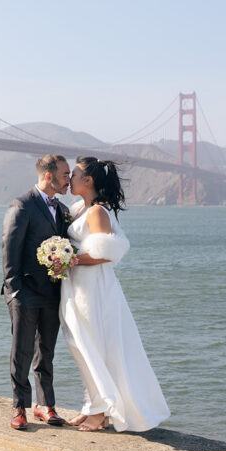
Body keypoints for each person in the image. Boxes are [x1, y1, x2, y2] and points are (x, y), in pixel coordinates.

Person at [61, 156, 170, 432]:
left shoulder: (97, 212)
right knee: (83, 347)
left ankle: (100, 413)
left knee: (92, 346)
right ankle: (92, 407)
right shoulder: (79, 208)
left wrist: (68, 259)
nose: (69, 179)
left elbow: (104, 255)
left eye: (74, 174)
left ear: (88, 181)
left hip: (93, 288)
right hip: (79, 285)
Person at [1, 153, 71, 430]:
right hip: (25, 292)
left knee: (46, 351)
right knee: (22, 352)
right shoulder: (22, 205)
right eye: (65, 175)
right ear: (49, 176)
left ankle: (45, 404)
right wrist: (14, 291)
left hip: (53, 292)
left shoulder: (63, 210)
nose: (69, 180)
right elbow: (9, 250)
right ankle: (20, 407)